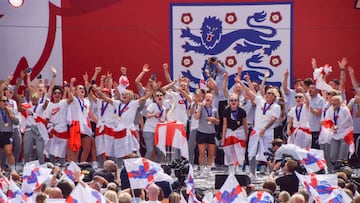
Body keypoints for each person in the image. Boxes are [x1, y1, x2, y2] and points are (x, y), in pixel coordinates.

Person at [238, 70, 281, 177]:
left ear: (274, 97)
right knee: (251, 151)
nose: (267, 95)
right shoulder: (260, 101)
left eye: (270, 94)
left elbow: (273, 119)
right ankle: (252, 173)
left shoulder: (276, 107)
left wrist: (264, 129)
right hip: (256, 130)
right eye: (267, 93)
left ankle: (269, 173)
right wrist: (241, 82)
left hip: (267, 132)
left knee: (267, 153)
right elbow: (249, 92)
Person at [325, 95, 353, 172]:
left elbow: (348, 121)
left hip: (345, 134)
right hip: (335, 133)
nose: (333, 102)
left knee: (342, 155)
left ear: (340, 102)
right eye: (332, 101)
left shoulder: (345, 110)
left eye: (335, 101)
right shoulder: (330, 110)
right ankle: (334, 170)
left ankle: (344, 172)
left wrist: (338, 126)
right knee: (332, 155)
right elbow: (327, 120)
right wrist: (332, 126)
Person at [222, 93, 248, 174]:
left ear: (238, 101)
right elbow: (225, 124)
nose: (233, 102)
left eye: (235, 100)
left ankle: (238, 166)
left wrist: (246, 135)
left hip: (239, 131)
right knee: (229, 149)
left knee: (240, 150)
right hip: (230, 131)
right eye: (231, 100)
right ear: (229, 102)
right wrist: (223, 136)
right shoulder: (226, 111)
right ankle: (231, 166)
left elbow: (245, 124)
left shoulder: (242, 111)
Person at [194, 92, 220, 176]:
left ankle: (208, 170)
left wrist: (214, 119)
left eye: (210, 97)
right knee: (201, 152)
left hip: (211, 133)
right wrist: (200, 107)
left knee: (211, 153)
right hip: (202, 132)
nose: (208, 98)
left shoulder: (214, 109)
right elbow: (196, 117)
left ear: (212, 99)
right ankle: (201, 169)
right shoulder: (201, 107)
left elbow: (218, 122)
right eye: (206, 97)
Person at [45, 86, 72, 166]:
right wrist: (47, 129)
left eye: (59, 93)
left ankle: (63, 169)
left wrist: (67, 89)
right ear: (52, 95)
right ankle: (52, 168)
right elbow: (47, 119)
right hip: (52, 130)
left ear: (61, 95)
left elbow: (71, 99)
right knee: (51, 152)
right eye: (55, 93)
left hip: (63, 130)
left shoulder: (63, 103)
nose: (57, 94)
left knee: (62, 153)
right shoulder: (49, 105)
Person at [0, 95, 19, 172]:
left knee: (9, 152)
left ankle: (13, 170)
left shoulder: (11, 110)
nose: (6, 102)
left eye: (7, 101)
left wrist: (12, 116)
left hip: (8, 133)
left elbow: (17, 122)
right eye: (3, 101)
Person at [308, 83, 325, 149]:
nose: (310, 90)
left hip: (316, 129)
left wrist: (309, 107)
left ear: (317, 90)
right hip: (307, 128)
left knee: (315, 148)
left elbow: (318, 113)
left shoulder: (320, 100)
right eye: (309, 88)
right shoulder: (307, 99)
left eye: (312, 88)